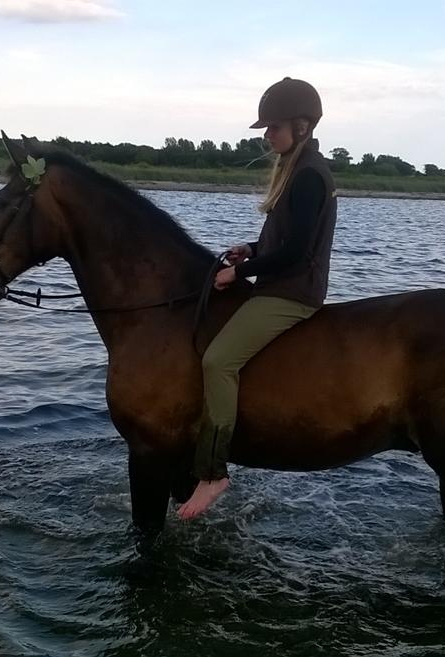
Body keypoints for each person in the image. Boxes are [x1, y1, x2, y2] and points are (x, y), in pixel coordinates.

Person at [178, 77, 339, 520]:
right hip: (280, 281)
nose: (267, 136)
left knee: (217, 361)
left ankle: (213, 473)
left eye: (274, 127)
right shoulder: (298, 168)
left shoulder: (307, 176)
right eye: (266, 129)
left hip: (292, 293)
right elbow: (283, 240)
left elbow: (296, 253)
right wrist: (251, 250)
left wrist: (240, 272)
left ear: (302, 126)